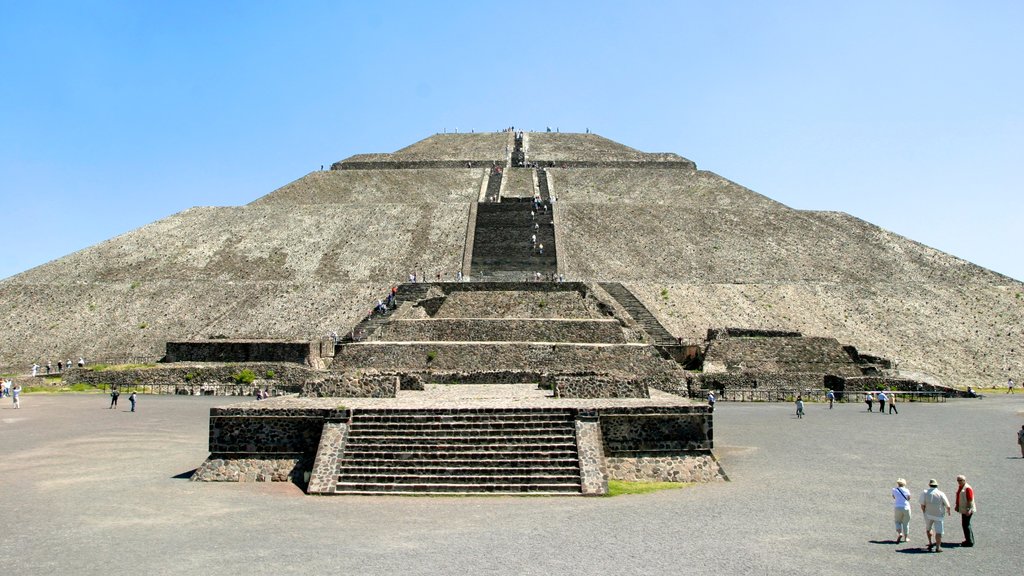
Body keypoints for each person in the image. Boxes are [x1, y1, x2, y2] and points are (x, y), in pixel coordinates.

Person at [920, 478, 951, 552]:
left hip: (928, 514)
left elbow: (922, 504)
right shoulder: (941, 493)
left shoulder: (925, 492)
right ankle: (938, 547)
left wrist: (924, 511)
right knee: (939, 531)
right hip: (939, 515)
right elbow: (948, 505)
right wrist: (948, 511)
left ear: (929, 485)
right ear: (937, 485)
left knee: (928, 528)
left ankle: (930, 542)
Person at [954, 475, 975, 547]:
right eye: (958, 480)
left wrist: (968, 509)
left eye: (960, 480)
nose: (959, 482)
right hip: (963, 509)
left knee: (966, 525)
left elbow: (970, 500)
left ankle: (969, 541)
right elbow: (958, 497)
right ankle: (969, 540)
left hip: (967, 509)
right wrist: (957, 505)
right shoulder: (961, 487)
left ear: (964, 480)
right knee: (965, 524)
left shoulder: (967, 488)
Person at [892, 479, 912, 543]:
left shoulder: (894, 490)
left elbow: (894, 497)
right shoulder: (907, 490)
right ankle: (906, 538)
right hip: (906, 507)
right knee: (906, 523)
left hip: (898, 507)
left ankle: (900, 533)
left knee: (897, 521)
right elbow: (909, 498)